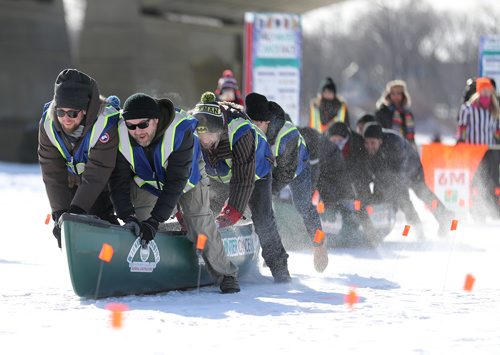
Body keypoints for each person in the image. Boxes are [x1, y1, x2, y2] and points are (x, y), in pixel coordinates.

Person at [109, 93, 240, 294]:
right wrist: (128, 215)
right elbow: (118, 182)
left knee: (199, 222)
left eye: (143, 125)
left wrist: (156, 220)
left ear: (156, 121)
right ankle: (154, 268)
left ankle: (226, 275)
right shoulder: (121, 135)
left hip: (188, 179)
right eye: (131, 126)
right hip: (147, 182)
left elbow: (175, 183)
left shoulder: (180, 132)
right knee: (139, 225)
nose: (137, 131)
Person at [193, 91, 291, 283]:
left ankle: (280, 270)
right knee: (207, 211)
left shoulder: (241, 131)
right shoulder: (192, 131)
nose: (204, 141)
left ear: (220, 129)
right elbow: (189, 174)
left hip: (256, 171)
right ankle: (207, 259)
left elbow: (243, 179)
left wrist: (232, 212)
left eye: (209, 134)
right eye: (200, 134)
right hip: (221, 174)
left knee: (263, 219)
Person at [245, 94, 328, 272]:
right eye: (252, 124)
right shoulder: (250, 128)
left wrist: (264, 194)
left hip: (297, 168)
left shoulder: (287, 136)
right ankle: (272, 251)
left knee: (303, 206)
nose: (255, 129)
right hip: (270, 167)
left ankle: (320, 245)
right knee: (266, 209)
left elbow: (285, 174)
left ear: (267, 122)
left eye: (258, 124)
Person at [38, 69, 120, 248]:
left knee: (96, 215)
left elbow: (98, 171)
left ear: (85, 111)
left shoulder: (104, 124)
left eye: (72, 113)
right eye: (61, 112)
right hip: (73, 180)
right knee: (70, 220)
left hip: (110, 180)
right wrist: (60, 214)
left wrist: (76, 212)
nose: (65, 119)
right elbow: (52, 172)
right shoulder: (48, 124)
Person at [363, 123, 453, 238]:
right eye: (367, 143)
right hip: (394, 171)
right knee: (391, 197)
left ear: (380, 141)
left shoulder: (394, 144)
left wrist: (394, 196)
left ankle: (441, 218)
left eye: (372, 143)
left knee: (416, 195)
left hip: (412, 168)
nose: (369, 146)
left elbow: (397, 177)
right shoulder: (370, 148)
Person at [457, 77, 500, 145]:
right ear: (479, 91)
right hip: (473, 148)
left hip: (489, 149)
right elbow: (462, 128)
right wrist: (461, 140)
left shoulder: (495, 109)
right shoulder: (468, 109)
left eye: (488, 90)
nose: (486, 92)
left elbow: (497, 130)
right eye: (483, 89)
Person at [375, 80, 416, 145]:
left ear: (403, 95)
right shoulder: (382, 112)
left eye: (398, 93)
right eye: (393, 94)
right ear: (388, 95)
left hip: (404, 147)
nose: (396, 96)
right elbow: (378, 132)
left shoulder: (407, 114)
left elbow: (411, 135)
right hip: (387, 146)